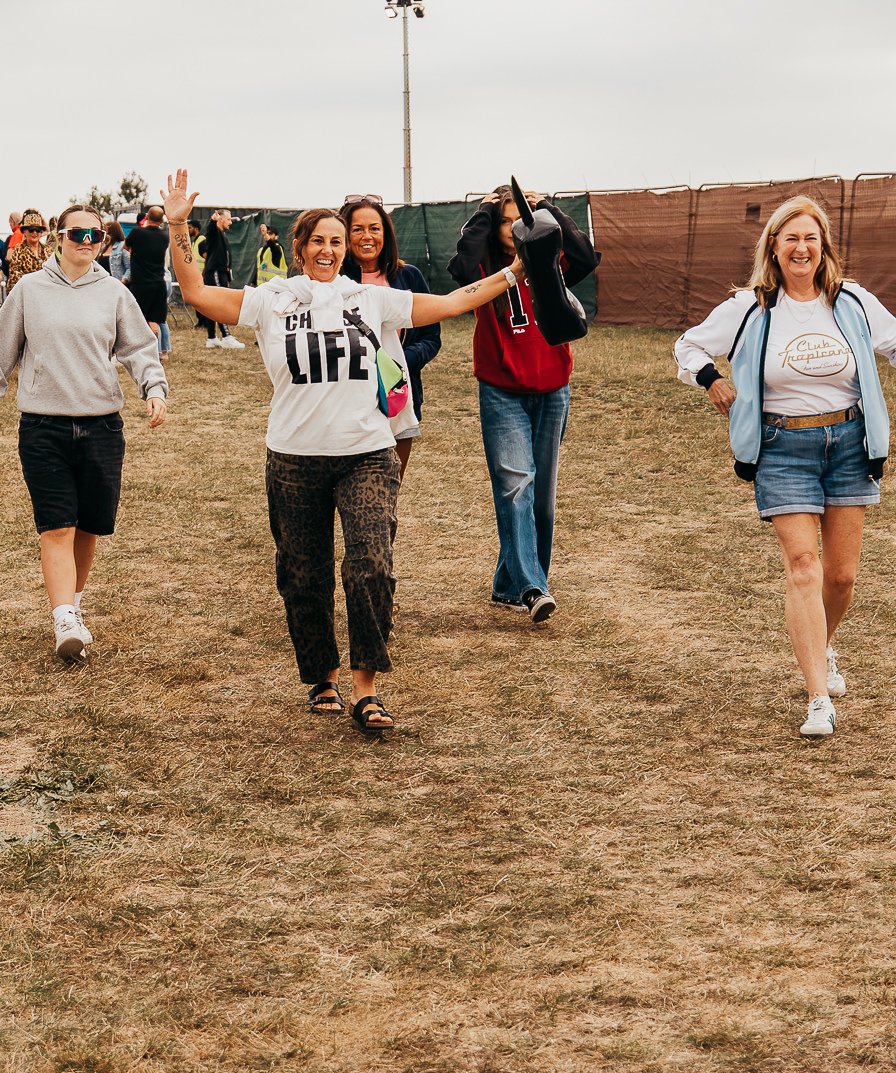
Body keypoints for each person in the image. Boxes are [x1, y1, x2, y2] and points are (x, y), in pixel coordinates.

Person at [161, 170, 526, 736]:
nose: (329, 249)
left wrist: (513, 272)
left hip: (368, 453)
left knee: (372, 566)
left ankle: (366, 686)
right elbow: (196, 293)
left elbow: (454, 302)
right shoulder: (271, 300)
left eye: (337, 241)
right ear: (300, 249)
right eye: (319, 241)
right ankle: (322, 677)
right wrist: (179, 224)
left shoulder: (372, 298)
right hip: (293, 458)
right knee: (303, 575)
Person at [674, 195, 896, 739]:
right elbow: (689, 346)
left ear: (824, 247)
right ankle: (818, 697)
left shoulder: (853, 301)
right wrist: (711, 380)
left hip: (849, 442)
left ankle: (822, 645)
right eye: (790, 237)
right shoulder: (749, 307)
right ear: (773, 245)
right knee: (804, 568)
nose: (801, 247)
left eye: (811, 238)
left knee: (841, 576)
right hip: (782, 446)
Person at [0, 203, 168, 662]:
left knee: (89, 526)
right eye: (76, 233)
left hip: (102, 426)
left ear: (103, 241)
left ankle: (73, 607)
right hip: (43, 427)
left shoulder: (114, 294)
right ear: (58, 236)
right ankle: (62, 617)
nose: (85, 242)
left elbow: (139, 347)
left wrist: (153, 387)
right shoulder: (28, 290)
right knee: (56, 524)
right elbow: (2, 352)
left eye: (94, 236)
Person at [449, 183, 602, 624]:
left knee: (542, 499)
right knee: (516, 485)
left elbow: (587, 257)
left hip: (553, 387)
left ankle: (507, 584)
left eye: (523, 217)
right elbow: (459, 266)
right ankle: (533, 587)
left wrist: (545, 209)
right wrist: (484, 210)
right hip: (502, 390)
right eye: (506, 219)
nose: (516, 225)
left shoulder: (548, 257)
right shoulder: (484, 267)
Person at [340, 196, 438, 477]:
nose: (366, 236)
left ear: (386, 233)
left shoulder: (408, 277)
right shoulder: (332, 283)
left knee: (389, 487)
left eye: (374, 228)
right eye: (357, 229)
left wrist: (396, 364)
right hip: (348, 398)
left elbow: (432, 337)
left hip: (398, 394)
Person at [124, 203, 171, 359]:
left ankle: (139, 351)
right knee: (155, 321)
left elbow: (126, 246)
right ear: (162, 220)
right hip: (159, 283)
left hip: (141, 283)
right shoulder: (165, 236)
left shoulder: (137, 233)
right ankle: (155, 351)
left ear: (147, 217)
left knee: (138, 320)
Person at [197, 209, 245, 348]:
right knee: (220, 303)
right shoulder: (215, 232)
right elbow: (210, 231)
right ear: (220, 219)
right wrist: (212, 221)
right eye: (228, 219)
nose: (230, 222)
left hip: (221, 272)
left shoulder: (222, 235)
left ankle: (211, 338)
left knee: (212, 305)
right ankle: (226, 337)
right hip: (215, 272)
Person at [8, 209, 49, 281]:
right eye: (31, 230)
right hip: (26, 290)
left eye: (38, 230)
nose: (35, 232)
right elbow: (14, 277)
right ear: (24, 231)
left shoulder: (48, 250)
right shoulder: (18, 251)